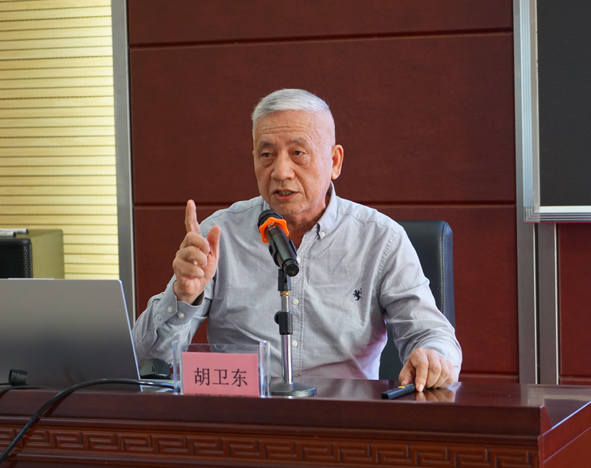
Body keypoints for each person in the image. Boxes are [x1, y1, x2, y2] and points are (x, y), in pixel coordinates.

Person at [133, 89, 461, 393]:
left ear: (334, 162)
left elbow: (432, 334)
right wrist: (183, 296)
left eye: (298, 153)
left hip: (344, 420)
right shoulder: (220, 235)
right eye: (266, 154)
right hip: (240, 419)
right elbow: (146, 360)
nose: (280, 171)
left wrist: (432, 356)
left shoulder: (380, 239)